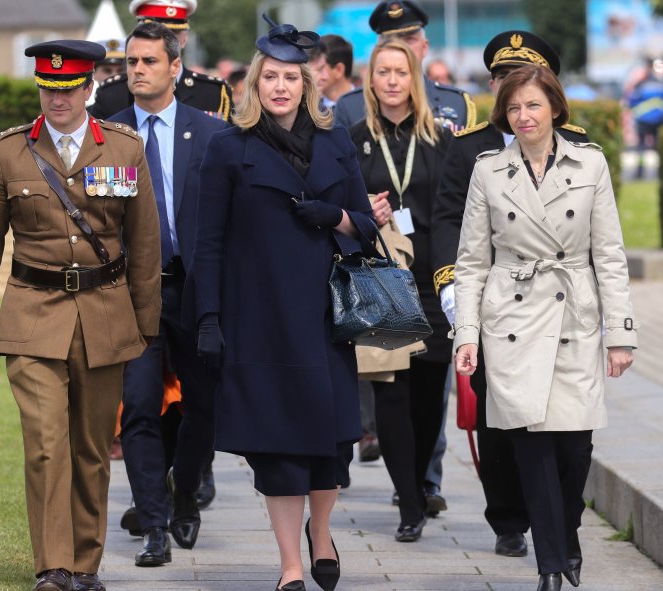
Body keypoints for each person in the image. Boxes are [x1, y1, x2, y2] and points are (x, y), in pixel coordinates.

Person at [0, 40, 161, 591]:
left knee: (92, 448)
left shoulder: (124, 149)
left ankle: (83, 564)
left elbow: (145, 243)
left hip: (104, 315)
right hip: (32, 316)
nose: (57, 99)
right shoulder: (9, 152)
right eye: (48, 89)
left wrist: (146, 321)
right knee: (47, 442)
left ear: (90, 88)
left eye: (68, 89)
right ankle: (52, 567)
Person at [187, 15, 375, 591]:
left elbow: (366, 227)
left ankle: (323, 535)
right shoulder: (227, 149)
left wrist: (336, 216)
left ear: (307, 86)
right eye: (270, 77)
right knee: (277, 452)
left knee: (330, 447)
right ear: (254, 84)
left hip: (323, 321)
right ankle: (291, 565)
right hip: (258, 322)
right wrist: (210, 319)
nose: (280, 88)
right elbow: (208, 242)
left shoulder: (336, 142)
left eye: (291, 78)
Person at [453, 64, 637, 591]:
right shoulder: (489, 170)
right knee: (530, 446)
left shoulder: (591, 164)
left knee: (574, 450)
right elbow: (471, 262)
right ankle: (550, 565)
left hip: (575, 313)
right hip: (510, 317)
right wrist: (467, 335)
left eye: (532, 105)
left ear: (555, 106)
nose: (523, 116)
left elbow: (610, 253)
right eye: (513, 108)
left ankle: (566, 534)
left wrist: (621, 334)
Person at [431, 30, 588, 559]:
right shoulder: (467, 147)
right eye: (501, 81)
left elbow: (599, 238)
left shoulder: (581, 147)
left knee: (569, 428)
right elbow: (448, 223)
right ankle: (508, 516)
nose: (511, 93)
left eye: (523, 82)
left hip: (563, 306)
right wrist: (455, 293)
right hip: (498, 306)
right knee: (499, 423)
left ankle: (565, 518)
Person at [107, 21, 227, 567]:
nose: (137, 70)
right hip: (134, 294)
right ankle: (153, 523)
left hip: (194, 290)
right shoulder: (107, 137)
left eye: (149, 62)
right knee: (137, 409)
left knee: (204, 406)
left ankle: (184, 494)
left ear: (175, 67)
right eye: (132, 62)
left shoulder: (209, 133)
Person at [348, 37, 452, 542]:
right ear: (371, 80)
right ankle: (408, 502)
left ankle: (417, 478)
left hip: (433, 279)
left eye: (401, 72)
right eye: (383, 71)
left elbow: (456, 212)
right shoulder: (352, 139)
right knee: (392, 389)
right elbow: (339, 208)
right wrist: (363, 206)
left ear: (416, 79)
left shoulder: (440, 141)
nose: (392, 80)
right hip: (381, 278)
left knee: (431, 393)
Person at [333, 0, 474, 132]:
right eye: (390, 41)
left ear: (424, 47)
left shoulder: (456, 103)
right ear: (377, 50)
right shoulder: (349, 107)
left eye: (409, 40)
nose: (400, 48)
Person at [89, 0, 233, 122]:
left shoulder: (213, 92)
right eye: (155, 33)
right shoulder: (113, 93)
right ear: (139, 34)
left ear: (184, 39)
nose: (164, 41)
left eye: (172, 34)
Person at [308, 34, 356, 109]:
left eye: (320, 69)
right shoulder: (310, 109)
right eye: (310, 69)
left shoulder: (368, 105)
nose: (312, 75)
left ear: (339, 70)